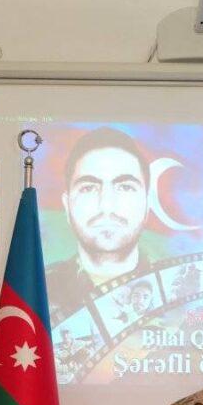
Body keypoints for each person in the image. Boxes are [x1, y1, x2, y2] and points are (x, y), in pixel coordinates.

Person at [45, 127, 151, 320]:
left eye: (125, 187)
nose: (107, 205)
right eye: (88, 188)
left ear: (147, 205)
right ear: (67, 206)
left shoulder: (177, 287)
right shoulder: (36, 291)